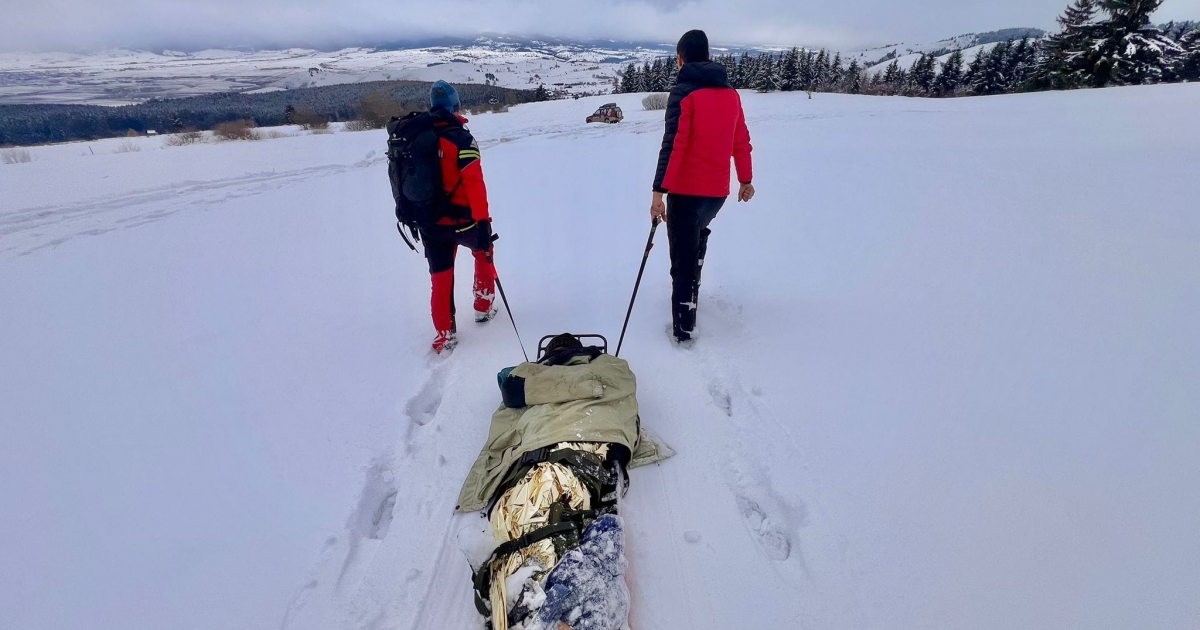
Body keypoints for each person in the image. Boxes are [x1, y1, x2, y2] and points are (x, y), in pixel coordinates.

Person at [650, 30, 755, 344]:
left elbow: (673, 146)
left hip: (686, 193)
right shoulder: (730, 94)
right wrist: (746, 180)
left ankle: (683, 328)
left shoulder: (684, 94)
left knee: (680, 261)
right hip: (716, 195)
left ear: (680, 59)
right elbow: (741, 142)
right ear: (708, 56)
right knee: (694, 239)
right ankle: (692, 289)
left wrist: (658, 193)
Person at [421, 80, 496, 354]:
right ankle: (483, 305)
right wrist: (484, 221)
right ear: (455, 106)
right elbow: (474, 183)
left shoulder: (419, 138)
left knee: (440, 277)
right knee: (483, 252)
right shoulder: (461, 139)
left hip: (430, 223)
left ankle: (444, 334)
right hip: (465, 220)